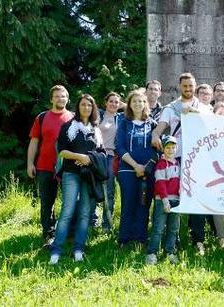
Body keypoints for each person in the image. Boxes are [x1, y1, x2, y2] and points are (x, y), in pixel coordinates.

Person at [152, 72, 211, 255]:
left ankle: (198, 240)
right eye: (185, 86)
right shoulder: (171, 108)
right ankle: (172, 240)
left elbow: (211, 129)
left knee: (196, 199)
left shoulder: (204, 108)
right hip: (175, 158)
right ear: (180, 86)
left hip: (197, 159)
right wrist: (155, 134)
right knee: (173, 198)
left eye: (191, 86)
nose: (188, 89)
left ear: (195, 86)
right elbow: (160, 127)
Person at [49, 94, 104, 264]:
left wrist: (90, 159)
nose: (86, 108)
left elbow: (101, 152)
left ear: (93, 108)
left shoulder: (96, 130)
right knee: (67, 211)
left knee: (85, 213)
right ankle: (56, 250)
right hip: (71, 173)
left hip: (89, 176)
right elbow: (62, 152)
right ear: (78, 107)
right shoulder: (68, 126)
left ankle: (79, 249)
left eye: (89, 105)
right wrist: (81, 157)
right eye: (83, 105)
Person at [27, 85, 74, 247]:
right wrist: (29, 163)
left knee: (71, 200)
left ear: (68, 99)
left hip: (68, 168)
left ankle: (69, 233)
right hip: (45, 167)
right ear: (51, 99)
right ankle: (49, 233)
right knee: (47, 202)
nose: (60, 99)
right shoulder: (42, 117)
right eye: (57, 96)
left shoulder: (74, 118)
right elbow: (34, 142)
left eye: (63, 96)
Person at [116, 89, 157, 247]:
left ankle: (140, 238)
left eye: (141, 101)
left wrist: (146, 167)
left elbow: (157, 149)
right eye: (134, 101)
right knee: (128, 203)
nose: (138, 104)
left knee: (144, 203)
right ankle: (124, 239)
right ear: (130, 105)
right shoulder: (124, 122)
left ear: (145, 104)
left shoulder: (152, 124)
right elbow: (119, 147)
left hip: (147, 171)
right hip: (127, 170)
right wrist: (135, 165)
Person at [146, 135, 181, 265]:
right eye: (168, 147)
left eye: (173, 147)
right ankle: (152, 253)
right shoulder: (161, 164)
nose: (170, 150)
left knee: (173, 228)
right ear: (164, 149)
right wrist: (165, 200)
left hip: (176, 201)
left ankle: (170, 251)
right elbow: (160, 183)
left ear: (176, 148)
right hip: (162, 200)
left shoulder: (178, 163)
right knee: (158, 228)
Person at [98, 92, 123, 232]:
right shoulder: (98, 115)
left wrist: (122, 104)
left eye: (116, 102)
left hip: (113, 157)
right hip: (98, 155)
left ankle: (107, 224)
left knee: (109, 191)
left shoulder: (121, 118)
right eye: (111, 101)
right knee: (94, 189)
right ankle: (91, 221)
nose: (114, 104)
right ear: (105, 102)